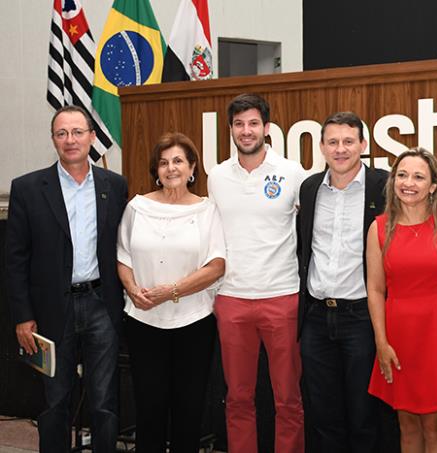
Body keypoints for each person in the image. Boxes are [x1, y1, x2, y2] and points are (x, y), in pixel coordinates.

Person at [6, 105, 127, 452]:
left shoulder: (114, 186)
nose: (70, 140)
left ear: (92, 137)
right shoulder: (28, 188)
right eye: (62, 133)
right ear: (53, 140)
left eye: (77, 132)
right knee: (55, 403)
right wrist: (22, 317)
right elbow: (15, 260)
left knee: (104, 402)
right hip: (48, 312)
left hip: (102, 306)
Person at [208, 93, 306, 453]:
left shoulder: (293, 173)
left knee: (288, 399)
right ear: (230, 129)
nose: (245, 131)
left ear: (266, 128)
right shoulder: (216, 176)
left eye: (252, 123)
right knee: (237, 398)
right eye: (238, 124)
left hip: (282, 297)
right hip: (231, 299)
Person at [367, 147, 437, 453]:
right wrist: (381, 342)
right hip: (398, 338)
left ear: (433, 185)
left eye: (419, 176)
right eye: (402, 175)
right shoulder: (378, 228)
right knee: (406, 429)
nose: (409, 183)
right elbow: (376, 289)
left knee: (435, 430)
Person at [116, 132, 226, 451]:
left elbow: (216, 265)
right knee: (148, 409)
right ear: (156, 169)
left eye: (178, 161)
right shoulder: (137, 207)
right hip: (143, 322)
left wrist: (172, 291)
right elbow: (122, 256)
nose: (170, 168)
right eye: (163, 163)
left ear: (192, 167)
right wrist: (132, 288)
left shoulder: (207, 210)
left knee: (188, 411)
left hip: (193, 323)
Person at [297, 111, 388, 453]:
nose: (340, 149)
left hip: (362, 318)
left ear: (363, 145)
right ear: (321, 147)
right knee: (323, 417)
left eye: (348, 141)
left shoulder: (384, 185)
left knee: (364, 416)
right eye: (332, 142)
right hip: (317, 319)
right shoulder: (309, 188)